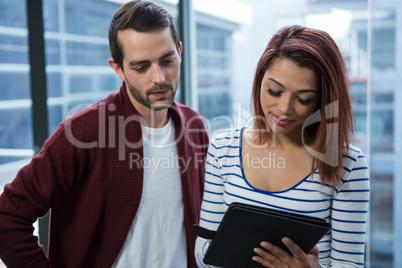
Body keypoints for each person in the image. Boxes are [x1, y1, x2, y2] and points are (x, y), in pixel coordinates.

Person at [0, 1, 209, 267]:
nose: (159, 77)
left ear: (180, 52)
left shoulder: (195, 127)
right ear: (118, 68)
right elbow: (7, 216)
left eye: (167, 60)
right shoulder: (83, 133)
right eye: (141, 67)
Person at [195, 25, 370, 268]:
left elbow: (349, 264)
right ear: (260, 80)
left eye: (303, 99)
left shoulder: (348, 164)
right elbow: (203, 254)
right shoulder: (223, 147)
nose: (284, 108)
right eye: (275, 91)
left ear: (323, 99)